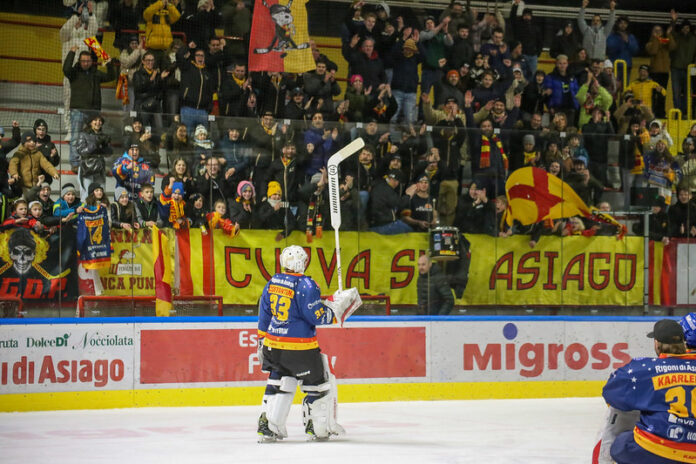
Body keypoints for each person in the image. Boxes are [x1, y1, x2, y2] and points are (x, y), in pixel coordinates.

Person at [256, 245, 360, 442]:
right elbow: (315, 316)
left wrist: (261, 340)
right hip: (300, 349)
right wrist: (335, 308)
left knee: (279, 382)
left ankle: (268, 426)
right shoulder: (306, 284)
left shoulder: (272, 282)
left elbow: (264, 316)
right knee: (318, 385)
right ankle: (318, 427)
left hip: (273, 345)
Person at [598, 319, 696, 464]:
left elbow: (611, 392)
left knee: (620, 438)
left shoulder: (644, 369)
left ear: (656, 343)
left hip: (657, 449)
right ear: (684, 342)